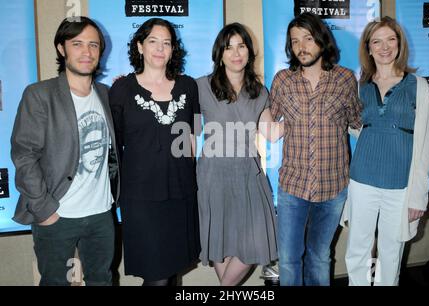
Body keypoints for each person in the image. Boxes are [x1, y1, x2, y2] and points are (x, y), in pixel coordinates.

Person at [11, 16, 119, 286]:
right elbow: (24, 155)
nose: (87, 52)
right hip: (58, 213)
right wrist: (44, 209)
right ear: (62, 49)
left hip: (101, 214)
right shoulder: (40, 95)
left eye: (93, 45)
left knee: (102, 281)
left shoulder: (107, 94)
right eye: (77, 43)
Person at [269, 13, 362, 286]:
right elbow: (268, 117)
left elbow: (358, 121)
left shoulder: (345, 79)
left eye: (308, 38)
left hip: (333, 187)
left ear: (321, 40)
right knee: (287, 258)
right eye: (295, 41)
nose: (301, 46)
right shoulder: (283, 80)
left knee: (320, 256)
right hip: (292, 186)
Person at [109, 18, 200, 286]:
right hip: (141, 197)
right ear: (139, 46)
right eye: (152, 41)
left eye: (166, 43)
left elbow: (192, 137)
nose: (160, 49)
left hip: (180, 192)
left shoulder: (188, 86)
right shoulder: (122, 89)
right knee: (156, 276)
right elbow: (115, 146)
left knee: (173, 271)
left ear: (173, 49)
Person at [343, 16, 429, 286]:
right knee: (357, 250)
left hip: (400, 184)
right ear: (368, 48)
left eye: (390, 40)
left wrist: (418, 194)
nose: (384, 47)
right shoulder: (359, 87)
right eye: (377, 41)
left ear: (399, 44)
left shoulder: (417, 85)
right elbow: (357, 127)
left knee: (391, 254)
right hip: (362, 180)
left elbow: (425, 142)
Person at [196, 22, 282, 286]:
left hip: (249, 176)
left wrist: (306, 112)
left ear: (249, 51)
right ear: (219, 54)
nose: (236, 53)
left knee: (256, 242)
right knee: (220, 241)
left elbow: (272, 133)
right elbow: (186, 131)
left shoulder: (259, 91)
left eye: (241, 46)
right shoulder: (200, 86)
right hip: (213, 177)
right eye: (229, 47)